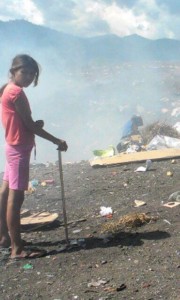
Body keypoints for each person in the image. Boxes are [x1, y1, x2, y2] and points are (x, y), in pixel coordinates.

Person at [0, 54, 68, 259]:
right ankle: (17, 249)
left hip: (12, 145)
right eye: (24, 72)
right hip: (19, 149)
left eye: (32, 73)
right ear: (13, 71)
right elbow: (28, 125)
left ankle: (4, 237)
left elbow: (22, 122)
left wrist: (32, 126)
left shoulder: (6, 89)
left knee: (5, 192)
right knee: (16, 197)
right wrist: (57, 140)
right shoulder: (16, 93)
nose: (28, 77)